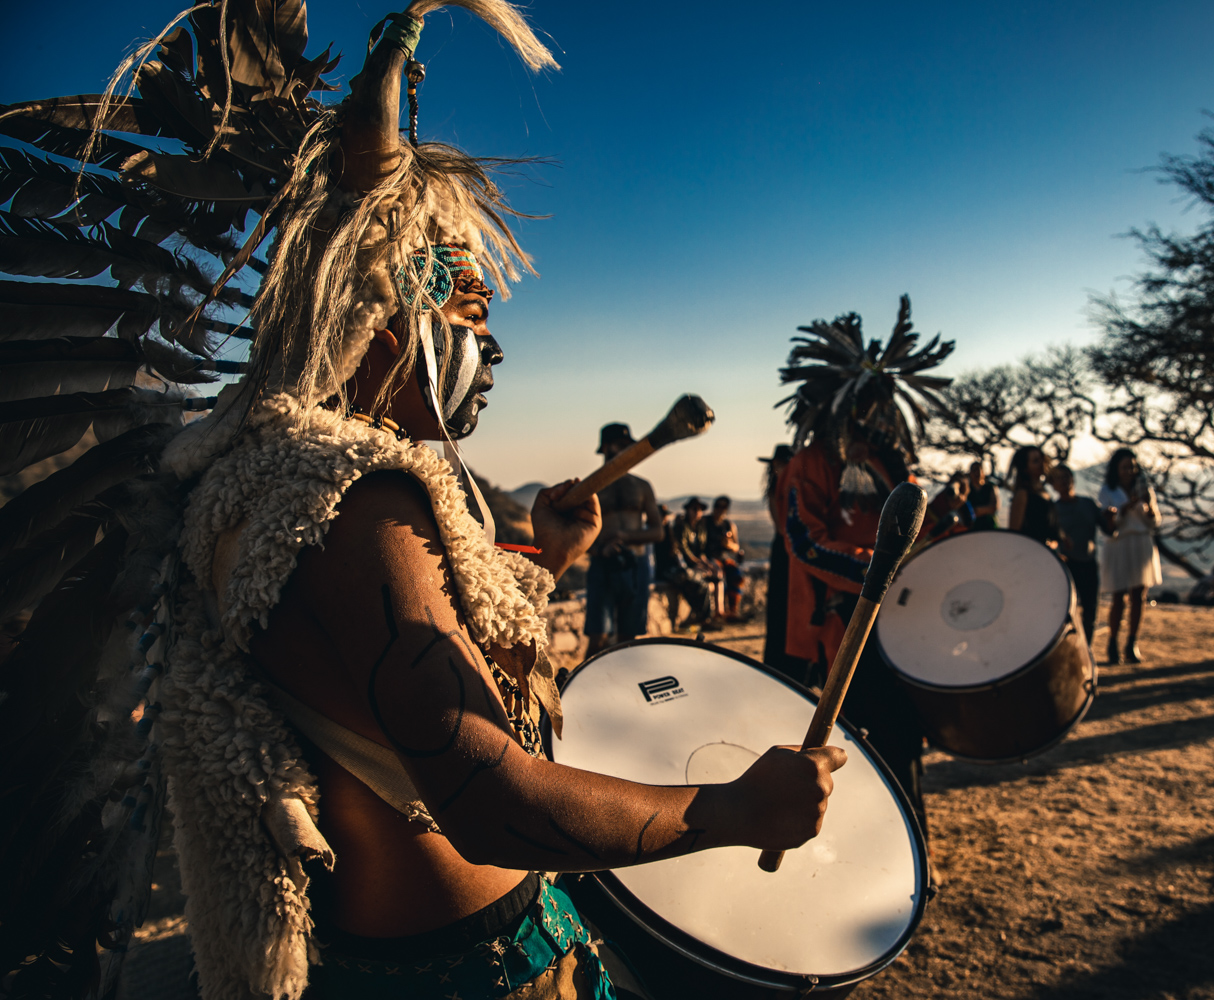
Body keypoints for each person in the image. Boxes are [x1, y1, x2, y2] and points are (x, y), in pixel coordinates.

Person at [0, 7, 847, 998]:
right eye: (470, 308)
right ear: (381, 300)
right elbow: (487, 798)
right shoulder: (355, 496)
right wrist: (734, 809)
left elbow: (364, 673)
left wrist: (550, 559)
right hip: (467, 974)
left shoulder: (261, 480)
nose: (487, 349)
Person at [776, 296, 962, 833]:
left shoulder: (887, 462)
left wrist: (945, 516)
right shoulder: (810, 464)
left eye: (880, 407)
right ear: (838, 406)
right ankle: (872, 844)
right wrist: (879, 572)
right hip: (842, 628)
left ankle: (913, 847)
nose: (874, 419)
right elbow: (804, 544)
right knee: (859, 744)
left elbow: (909, 535)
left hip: (897, 620)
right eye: (865, 407)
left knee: (904, 738)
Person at [584, 423, 665, 657]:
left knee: (628, 640)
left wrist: (624, 537)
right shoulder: (591, 488)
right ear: (607, 448)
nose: (626, 452)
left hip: (636, 566)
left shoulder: (641, 486)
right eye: (621, 446)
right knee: (598, 639)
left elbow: (657, 532)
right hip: (602, 566)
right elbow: (580, 538)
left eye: (628, 447)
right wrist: (601, 549)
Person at [1098, 448, 1162, 664]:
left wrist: (1149, 507)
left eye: (1132, 467)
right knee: (1119, 596)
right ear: (1116, 469)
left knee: (1139, 596)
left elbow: (1154, 522)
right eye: (1125, 467)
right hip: (1120, 544)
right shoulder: (1107, 490)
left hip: (1141, 542)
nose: (1129, 471)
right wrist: (1125, 508)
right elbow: (1108, 522)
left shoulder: (1145, 490)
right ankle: (1113, 641)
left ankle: (1132, 642)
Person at [1050, 464, 1114, 643]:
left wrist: (1111, 519)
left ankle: (1087, 648)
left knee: (1090, 610)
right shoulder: (1053, 510)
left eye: (1066, 477)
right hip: (1065, 564)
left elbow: (1109, 530)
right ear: (1053, 484)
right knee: (1066, 611)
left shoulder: (1088, 504)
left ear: (1073, 479)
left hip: (1088, 563)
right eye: (1059, 478)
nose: (1064, 481)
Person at [761, 445, 797, 677]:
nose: (778, 468)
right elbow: (781, 527)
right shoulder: (776, 491)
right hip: (786, 551)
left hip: (792, 550)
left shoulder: (794, 487)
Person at [664, 497, 721, 629]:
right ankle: (705, 619)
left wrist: (708, 565)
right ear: (688, 510)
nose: (697, 512)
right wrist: (700, 565)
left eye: (699, 509)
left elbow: (701, 551)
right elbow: (684, 551)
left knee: (715, 578)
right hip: (681, 567)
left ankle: (714, 614)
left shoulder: (700, 529)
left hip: (691, 566)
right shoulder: (681, 527)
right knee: (703, 585)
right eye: (694, 509)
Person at [1007, 445, 1061, 547]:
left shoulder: (1045, 491)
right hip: (1030, 554)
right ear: (1025, 468)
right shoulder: (1022, 494)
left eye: (1041, 458)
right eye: (1036, 461)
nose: (1041, 463)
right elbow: (1014, 533)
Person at [705, 495, 746, 621]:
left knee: (736, 576)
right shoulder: (706, 522)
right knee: (719, 574)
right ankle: (720, 612)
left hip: (724, 558)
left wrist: (729, 545)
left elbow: (736, 546)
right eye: (718, 506)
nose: (720, 509)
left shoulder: (729, 525)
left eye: (723, 507)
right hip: (710, 557)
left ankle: (733, 611)